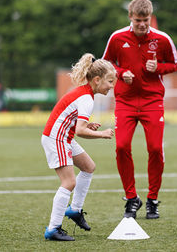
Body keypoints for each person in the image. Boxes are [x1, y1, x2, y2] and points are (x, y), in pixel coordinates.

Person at [102, 0, 177, 219]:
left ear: (150, 17)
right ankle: (131, 198)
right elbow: (105, 63)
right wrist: (119, 72)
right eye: (138, 20)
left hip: (152, 102)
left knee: (155, 148)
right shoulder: (117, 38)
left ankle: (152, 199)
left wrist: (159, 68)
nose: (142, 25)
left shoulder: (162, 38)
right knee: (122, 146)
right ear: (130, 18)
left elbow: (175, 64)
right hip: (125, 102)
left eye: (145, 20)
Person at [41, 53, 116, 241]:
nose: (112, 86)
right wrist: (102, 134)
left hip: (63, 135)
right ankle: (53, 228)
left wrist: (85, 126)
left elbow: (72, 121)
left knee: (88, 167)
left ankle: (74, 210)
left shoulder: (85, 93)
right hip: (56, 138)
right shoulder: (87, 99)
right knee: (69, 183)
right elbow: (81, 131)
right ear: (97, 80)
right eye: (109, 81)